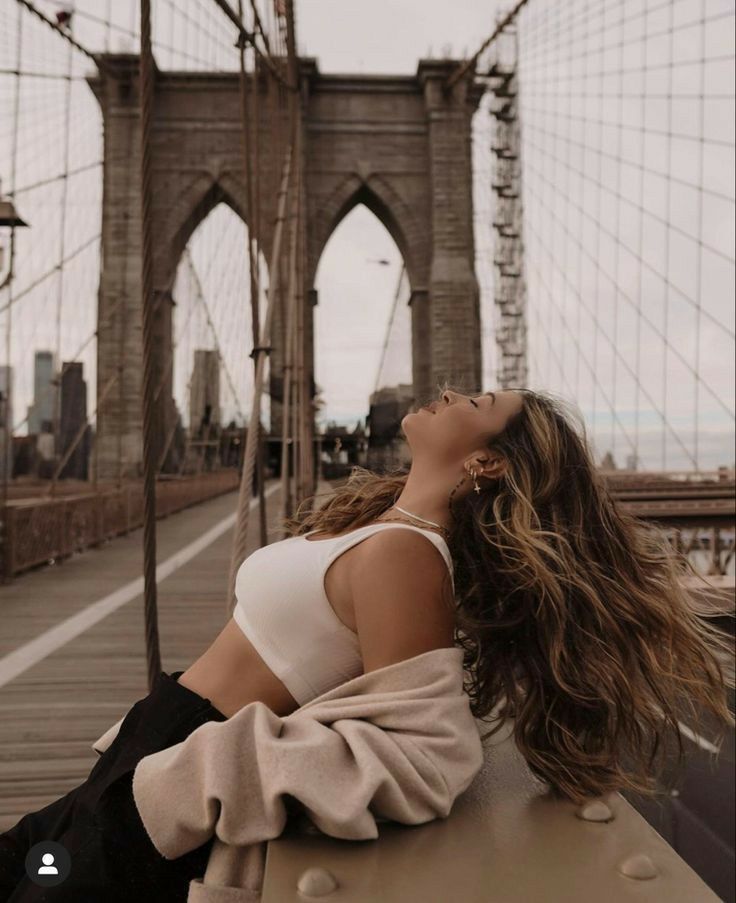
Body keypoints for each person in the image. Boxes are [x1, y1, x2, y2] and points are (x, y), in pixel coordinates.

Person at [1, 384, 733, 900]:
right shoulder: (382, 527)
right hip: (151, 747)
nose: (449, 392)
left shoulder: (408, 557)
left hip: (179, 783)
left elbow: (426, 753)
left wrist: (216, 769)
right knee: (22, 865)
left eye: (476, 403)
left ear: (490, 462)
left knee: (43, 880)